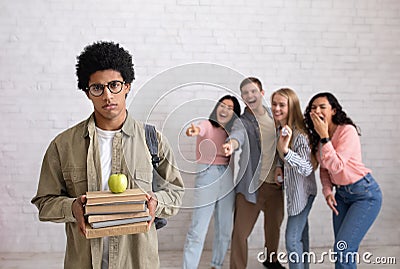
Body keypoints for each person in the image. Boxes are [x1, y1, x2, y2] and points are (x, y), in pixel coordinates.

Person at [31, 41, 184, 269]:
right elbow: (45, 202)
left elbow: (176, 192)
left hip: (137, 262)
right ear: (87, 92)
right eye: (97, 88)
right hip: (83, 261)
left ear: (127, 86)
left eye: (114, 85)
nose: (107, 96)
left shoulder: (153, 140)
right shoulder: (63, 145)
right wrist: (72, 207)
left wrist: (156, 202)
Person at [304, 92, 382, 269]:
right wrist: (327, 191)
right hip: (342, 196)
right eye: (313, 108)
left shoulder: (347, 131)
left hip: (364, 194)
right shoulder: (318, 138)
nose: (317, 110)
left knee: (343, 249)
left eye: (322, 107)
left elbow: (337, 166)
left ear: (333, 110)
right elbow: (324, 168)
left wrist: (325, 137)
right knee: (343, 249)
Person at [223, 77, 285, 269]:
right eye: (245, 93)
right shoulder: (243, 122)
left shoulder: (274, 117)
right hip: (251, 186)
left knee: (273, 227)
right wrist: (231, 145)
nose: (250, 95)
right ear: (242, 97)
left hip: (275, 186)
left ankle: (271, 260)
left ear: (262, 93)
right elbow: (237, 136)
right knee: (240, 233)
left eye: (253, 91)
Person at [182, 95, 241, 269]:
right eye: (222, 105)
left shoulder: (232, 132)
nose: (225, 110)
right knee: (198, 229)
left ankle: (217, 264)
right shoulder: (207, 125)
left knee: (224, 228)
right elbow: (198, 129)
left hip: (227, 176)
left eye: (230, 108)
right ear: (216, 108)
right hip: (207, 174)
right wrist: (192, 131)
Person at [271, 88, 317, 269]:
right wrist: (278, 167)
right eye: (274, 103)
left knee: (291, 241)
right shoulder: (281, 130)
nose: (276, 108)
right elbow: (281, 155)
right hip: (293, 193)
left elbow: (307, 168)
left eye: (282, 105)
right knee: (301, 238)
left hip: (303, 195)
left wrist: (286, 152)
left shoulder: (300, 135)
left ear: (292, 107)